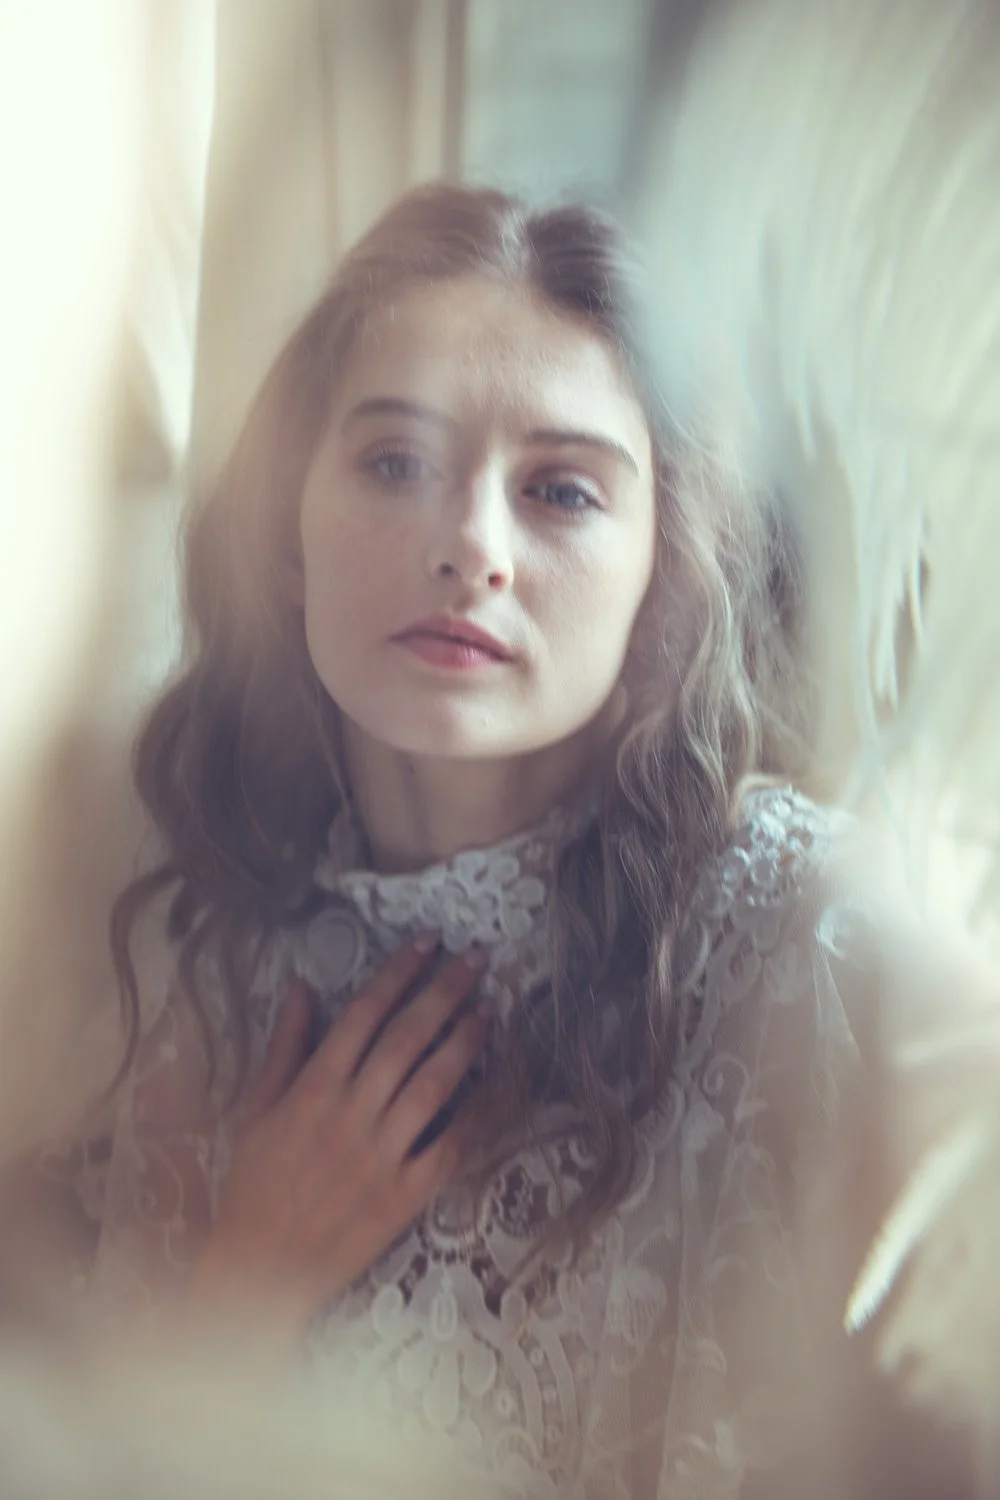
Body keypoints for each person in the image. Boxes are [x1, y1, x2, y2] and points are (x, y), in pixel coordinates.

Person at [3, 182, 987, 1499]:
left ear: (661, 581)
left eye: (563, 492)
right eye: (397, 463)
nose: (470, 545)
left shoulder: (824, 957)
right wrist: (239, 1285)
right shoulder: (136, 894)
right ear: (287, 530)